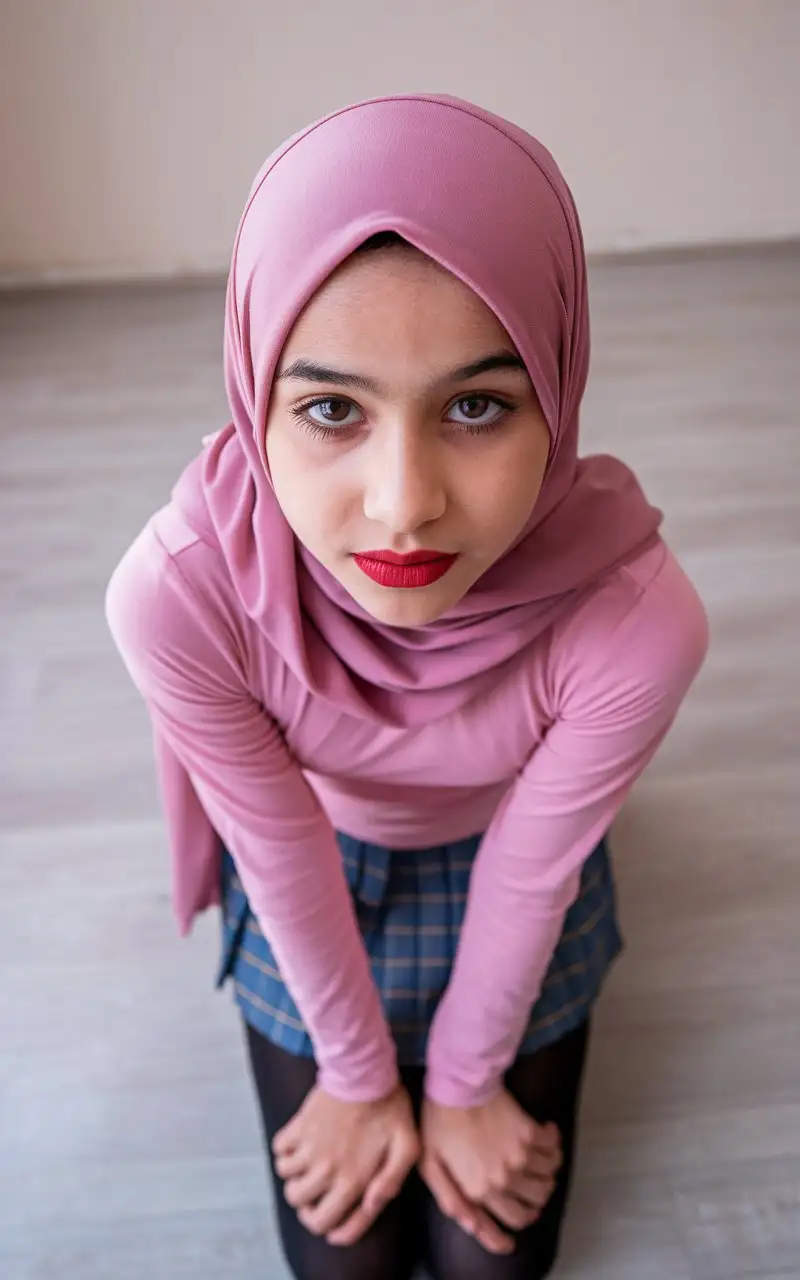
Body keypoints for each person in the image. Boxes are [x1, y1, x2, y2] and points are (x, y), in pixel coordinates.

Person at [105, 94, 709, 1280]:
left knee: (489, 1263)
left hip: (514, 850)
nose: (403, 502)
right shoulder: (182, 591)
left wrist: (468, 1084)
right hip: (309, 853)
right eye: (331, 408)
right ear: (252, 394)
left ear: (557, 383)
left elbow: (532, 868)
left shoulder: (632, 619)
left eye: (476, 405)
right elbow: (274, 845)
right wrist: (356, 1076)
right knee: (349, 1264)